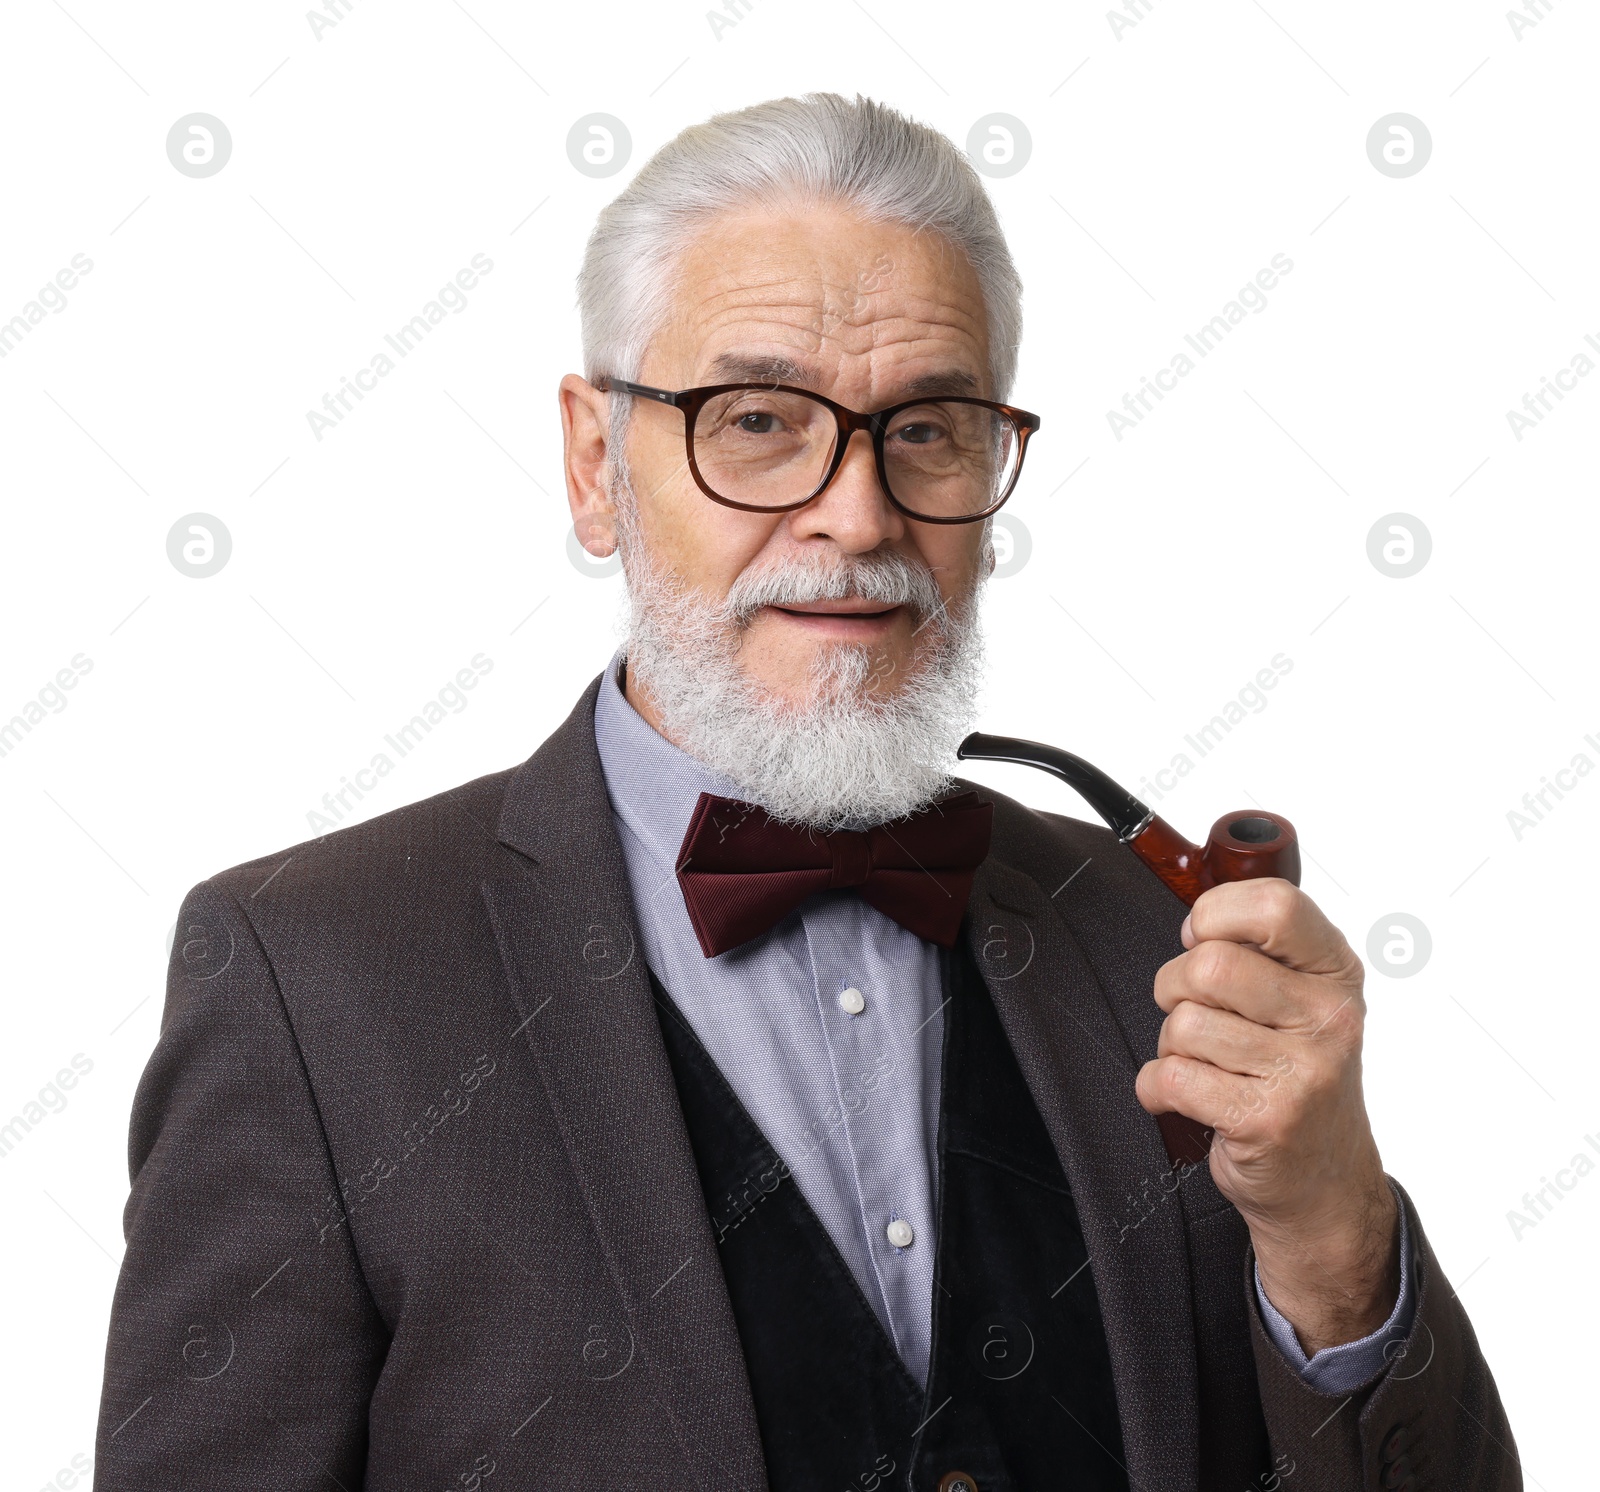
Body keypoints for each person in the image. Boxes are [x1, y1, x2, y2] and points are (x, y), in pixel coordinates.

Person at [95, 92, 1517, 1491]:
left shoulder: (1160, 941)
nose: (859, 515)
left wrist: (1337, 1236)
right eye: (761, 419)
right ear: (598, 466)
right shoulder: (309, 978)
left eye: (928, 428)